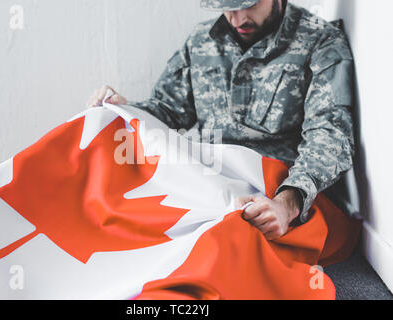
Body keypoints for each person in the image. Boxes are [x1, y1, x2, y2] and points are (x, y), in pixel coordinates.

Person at [87, 0, 355, 241]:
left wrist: (288, 202)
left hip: (269, 191)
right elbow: (168, 110)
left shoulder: (320, 40)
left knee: (221, 255)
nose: (237, 19)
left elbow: (329, 135)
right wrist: (125, 110)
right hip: (206, 181)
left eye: (248, 4)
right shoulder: (202, 40)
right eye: (226, 5)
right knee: (122, 225)